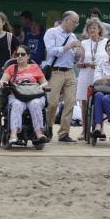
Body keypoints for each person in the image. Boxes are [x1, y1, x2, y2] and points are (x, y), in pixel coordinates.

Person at [44, 11, 82, 143]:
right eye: (74, 22)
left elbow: (74, 57)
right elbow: (51, 50)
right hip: (56, 71)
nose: (76, 25)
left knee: (70, 102)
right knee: (52, 102)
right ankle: (47, 127)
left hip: (70, 71)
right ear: (66, 20)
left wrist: (78, 54)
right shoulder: (52, 32)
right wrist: (68, 46)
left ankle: (64, 133)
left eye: (77, 23)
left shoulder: (73, 36)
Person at [0, 45, 49, 144]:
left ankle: (39, 134)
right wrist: (3, 83)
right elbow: (3, 80)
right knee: (17, 104)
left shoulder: (35, 67)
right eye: (18, 54)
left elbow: (45, 82)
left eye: (23, 54)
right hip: (17, 96)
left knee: (35, 104)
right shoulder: (11, 68)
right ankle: (13, 135)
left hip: (34, 95)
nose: (20, 56)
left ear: (28, 56)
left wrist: (42, 86)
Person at [76, 19, 108, 141]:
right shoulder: (84, 43)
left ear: (99, 29)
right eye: (89, 28)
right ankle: (84, 130)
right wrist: (86, 64)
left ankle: (101, 129)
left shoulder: (106, 42)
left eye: (94, 28)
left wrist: (99, 65)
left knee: (101, 100)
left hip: (100, 75)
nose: (92, 30)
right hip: (86, 74)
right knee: (84, 102)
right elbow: (79, 63)